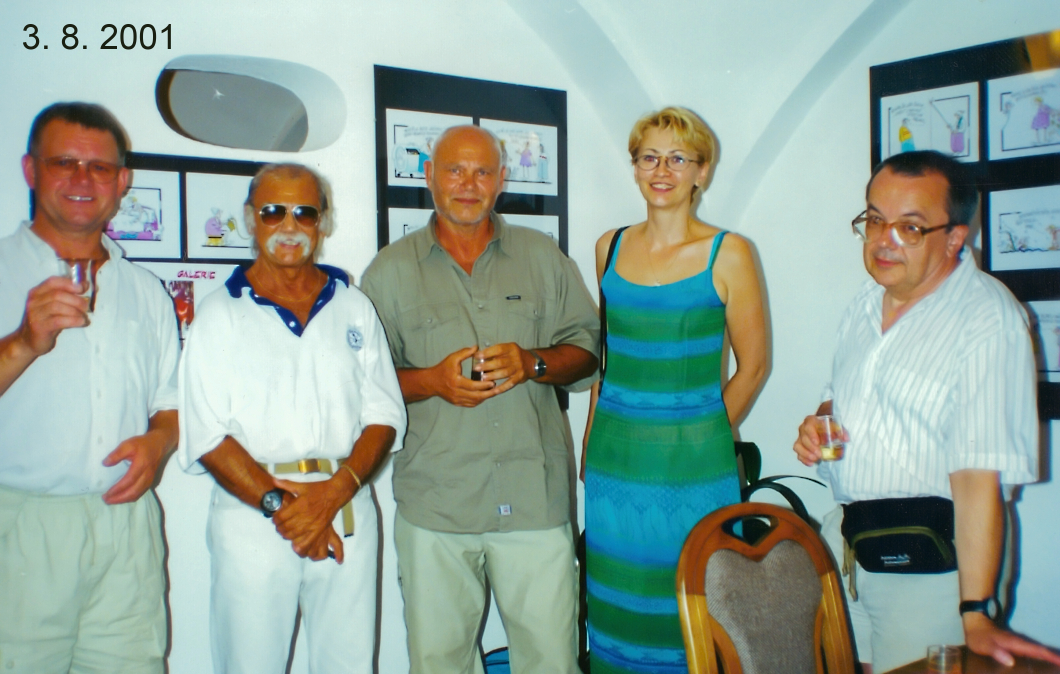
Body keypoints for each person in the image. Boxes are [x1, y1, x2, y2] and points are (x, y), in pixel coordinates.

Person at [792, 150, 1060, 673]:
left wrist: (975, 612)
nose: (883, 240)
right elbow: (840, 397)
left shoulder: (987, 320)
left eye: (910, 228)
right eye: (874, 220)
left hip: (933, 571)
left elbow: (979, 476)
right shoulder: (864, 304)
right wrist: (820, 422)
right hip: (853, 549)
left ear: (955, 237)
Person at [361, 125, 599, 674]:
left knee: (551, 661)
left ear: (501, 179)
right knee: (439, 663)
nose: (468, 184)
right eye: (454, 170)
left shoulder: (541, 256)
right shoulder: (389, 272)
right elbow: (364, 382)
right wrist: (432, 382)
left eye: (482, 171)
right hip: (436, 504)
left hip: (534, 499)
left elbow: (587, 352)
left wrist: (533, 362)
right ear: (429, 176)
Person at [177, 163, 406, 674]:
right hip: (254, 516)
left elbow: (385, 413)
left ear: (323, 222)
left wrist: (332, 495)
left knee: (348, 666)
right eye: (272, 212)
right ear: (249, 219)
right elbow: (206, 433)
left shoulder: (353, 306)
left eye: (305, 212)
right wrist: (285, 508)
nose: (289, 225)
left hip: (345, 509)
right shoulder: (219, 314)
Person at [581, 106, 767, 674]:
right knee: (619, 607)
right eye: (649, 158)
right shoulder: (608, 246)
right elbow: (608, 356)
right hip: (615, 465)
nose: (662, 171)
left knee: (696, 608)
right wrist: (589, 443)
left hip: (694, 471)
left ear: (701, 172)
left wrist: (705, 438)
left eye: (678, 158)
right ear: (635, 167)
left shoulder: (729, 252)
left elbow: (754, 366)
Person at [0, 102, 180, 673]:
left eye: (99, 168)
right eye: (64, 163)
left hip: (126, 526)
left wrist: (158, 444)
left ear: (122, 182)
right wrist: (22, 342)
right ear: (30, 170)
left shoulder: (147, 290)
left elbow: (170, 402)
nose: (83, 179)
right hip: (20, 524)